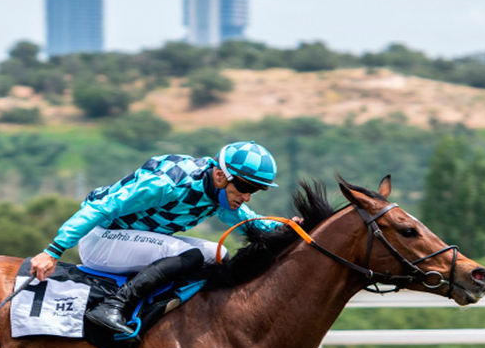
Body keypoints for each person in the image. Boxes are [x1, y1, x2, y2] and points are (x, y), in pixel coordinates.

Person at [29, 141, 299, 334]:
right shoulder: (167, 184)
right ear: (220, 175)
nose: (248, 196)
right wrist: (53, 251)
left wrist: (288, 229)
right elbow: (102, 207)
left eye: (256, 190)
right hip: (101, 240)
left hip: (133, 241)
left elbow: (250, 223)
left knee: (218, 254)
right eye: (245, 186)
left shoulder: (218, 192)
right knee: (188, 253)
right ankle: (113, 306)